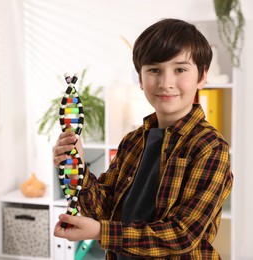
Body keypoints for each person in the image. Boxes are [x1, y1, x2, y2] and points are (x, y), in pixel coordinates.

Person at [52, 18, 233, 259]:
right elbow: (104, 209)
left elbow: (183, 234)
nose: (166, 83)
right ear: (140, 78)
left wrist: (100, 231)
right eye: (154, 70)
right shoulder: (132, 141)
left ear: (202, 76)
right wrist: (77, 167)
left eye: (180, 69)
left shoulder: (210, 147)